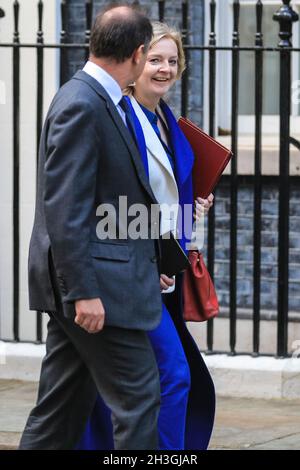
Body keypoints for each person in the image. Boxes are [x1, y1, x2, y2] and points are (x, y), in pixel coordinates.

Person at [19, 5, 164, 450]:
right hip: (97, 289)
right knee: (139, 398)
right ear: (138, 54)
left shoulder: (101, 98)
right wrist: (83, 291)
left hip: (97, 283)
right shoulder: (83, 102)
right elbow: (66, 208)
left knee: (60, 409)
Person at [77, 21, 216, 451]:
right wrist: (145, 260)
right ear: (135, 61)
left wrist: (193, 216)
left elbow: (173, 192)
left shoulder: (168, 121)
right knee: (173, 376)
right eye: (155, 59)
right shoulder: (119, 118)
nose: (164, 68)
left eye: (173, 61)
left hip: (164, 273)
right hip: (134, 274)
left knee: (114, 386)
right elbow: (109, 202)